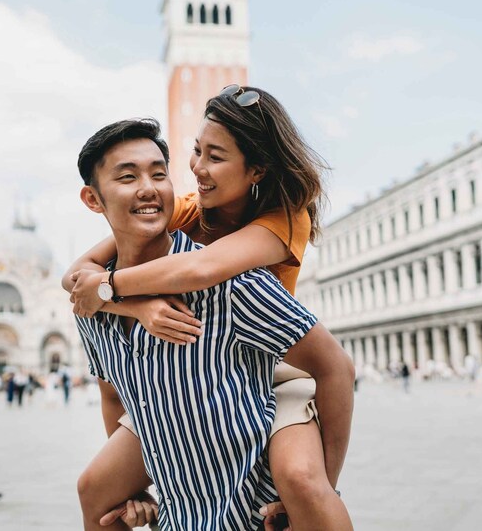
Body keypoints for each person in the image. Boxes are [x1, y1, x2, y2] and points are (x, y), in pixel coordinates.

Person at [66, 86, 353, 529]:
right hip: (194, 366)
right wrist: (131, 307)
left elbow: (202, 269)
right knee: (94, 490)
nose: (198, 168)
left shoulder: (283, 218)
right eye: (196, 151)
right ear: (93, 199)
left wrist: (110, 289)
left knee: (301, 479)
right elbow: (80, 277)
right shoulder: (185, 205)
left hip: (276, 365)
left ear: (256, 169)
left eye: (215, 157)